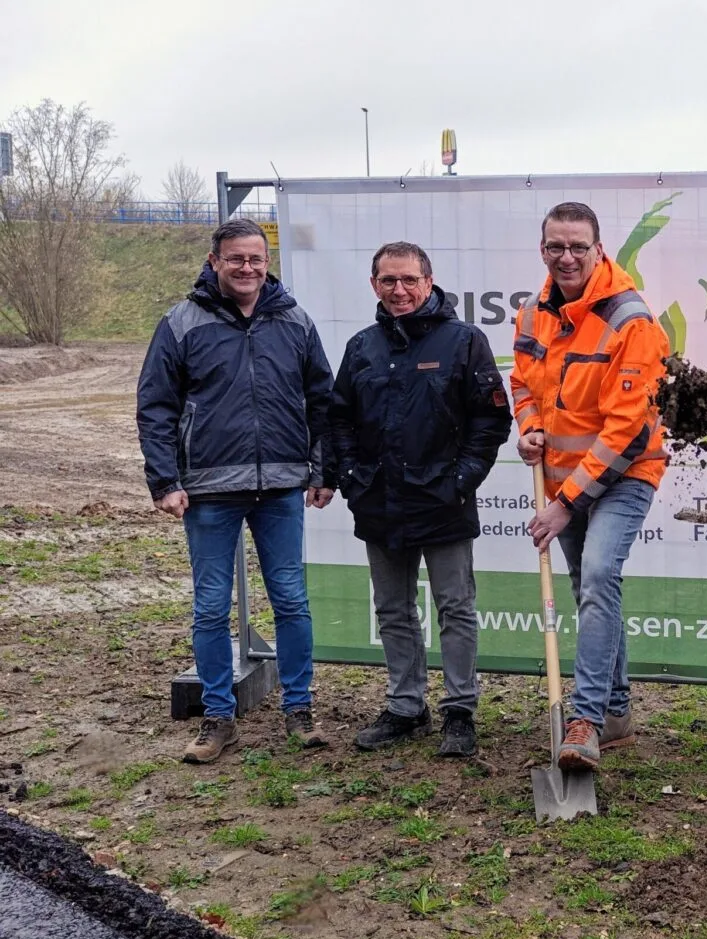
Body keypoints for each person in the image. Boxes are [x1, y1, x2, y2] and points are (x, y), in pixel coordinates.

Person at [137, 218, 335, 764]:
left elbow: (322, 402)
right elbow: (155, 406)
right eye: (235, 259)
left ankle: (300, 711)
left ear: (266, 261)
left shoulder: (294, 320)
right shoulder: (181, 323)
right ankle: (218, 718)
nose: (246, 268)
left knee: (291, 601)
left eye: (256, 258)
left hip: (280, 489)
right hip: (207, 491)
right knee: (208, 607)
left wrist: (321, 471)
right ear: (214, 261)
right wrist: (164, 480)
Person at [330, 241, 511, 758]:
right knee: (392, 609)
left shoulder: (464, 341)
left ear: (429, 282)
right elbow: (339, 416)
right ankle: (406, 707)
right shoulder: (363, 346)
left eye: (409, 279)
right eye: (388, 281)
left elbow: (491, 419)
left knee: (455, 607)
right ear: (374, 286)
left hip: (443, 501)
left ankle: (460, 710)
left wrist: (462, 479)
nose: (400, 290)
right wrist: (349, 474)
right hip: (378, 500)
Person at [511, 202, 670, 771]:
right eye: (556, 246)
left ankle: (587, 720)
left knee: (600, 573)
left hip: (625, 473)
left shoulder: (632, 319)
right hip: (562, 477)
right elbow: (524, 384)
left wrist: (564, 504)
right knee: (589, 587)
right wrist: (529, 429)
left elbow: (628, 429)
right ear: (543, 249)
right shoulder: (533, 312)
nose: (567, 257)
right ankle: (619, 709)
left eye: (579, 246)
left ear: (600, 250)